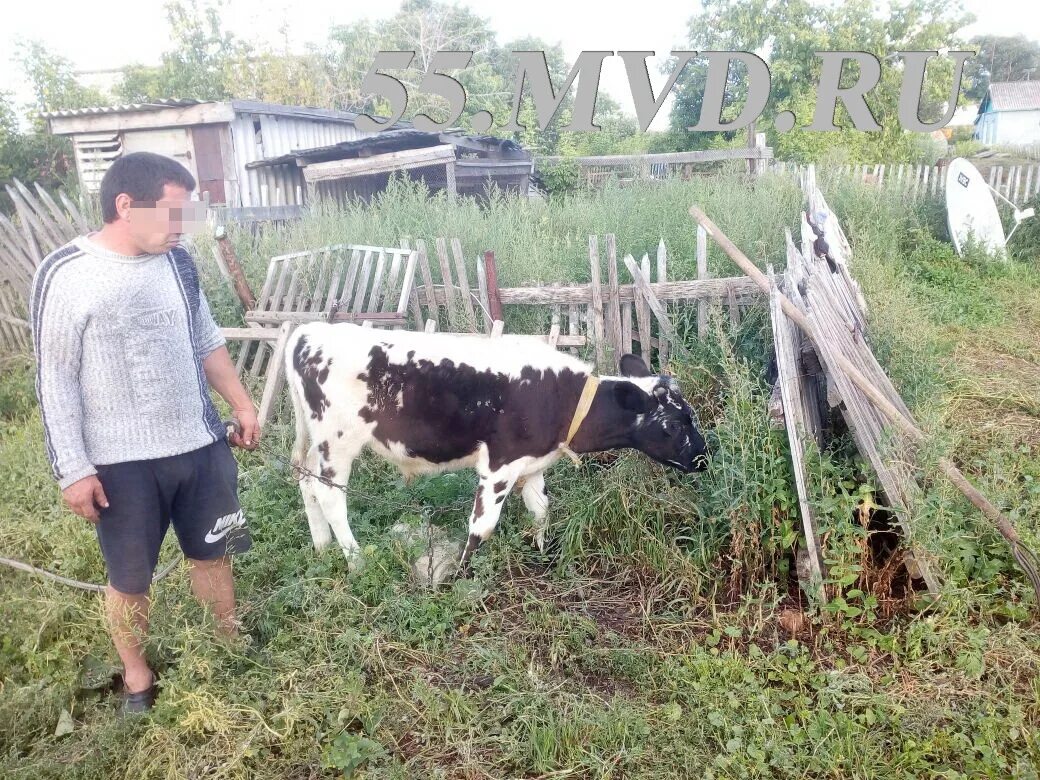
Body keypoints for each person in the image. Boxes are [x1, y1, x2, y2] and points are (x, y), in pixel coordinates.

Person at [30, 151, 261, 714]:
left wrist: (242, 403)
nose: (181, 229)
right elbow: (55, 376)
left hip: (199, 442)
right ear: (125, 206)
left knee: (215, 553)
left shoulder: (178, 263)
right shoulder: (65, 273)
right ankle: (137, 675)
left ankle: (226, 642)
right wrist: (74, 469)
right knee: (131, 576)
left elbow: (206, 339)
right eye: (173, 214)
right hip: (120, 462)